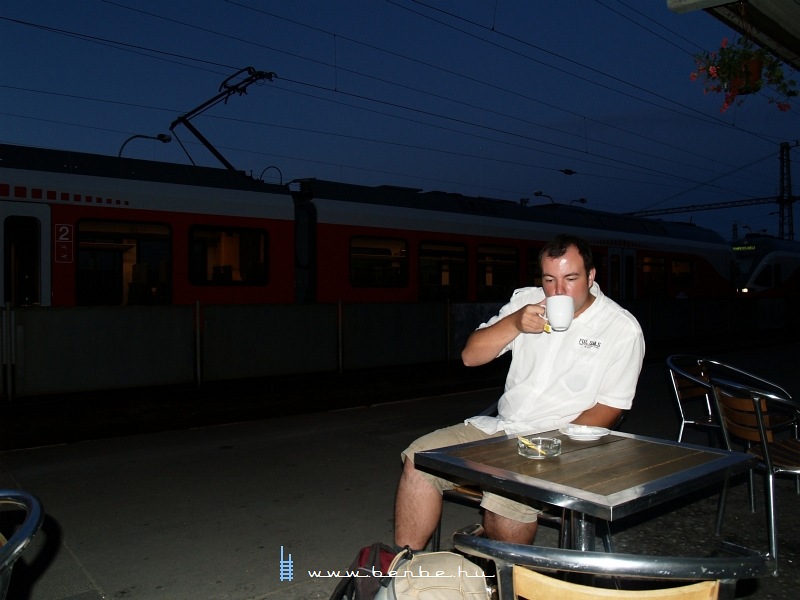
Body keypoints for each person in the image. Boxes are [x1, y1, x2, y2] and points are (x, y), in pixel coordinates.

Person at [393, 234, 645, 550]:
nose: (559, 291)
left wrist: (550, 446)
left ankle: (511, 584)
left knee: (505, 499)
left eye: (571, 278)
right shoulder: (526, 303)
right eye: (550, 280)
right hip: (501, 429)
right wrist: (514, 323)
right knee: (420, 460)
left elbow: (609, 408)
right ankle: (403, 574)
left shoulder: (621, 329)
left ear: (592, 276)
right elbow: (471, 356)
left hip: (559, 446)